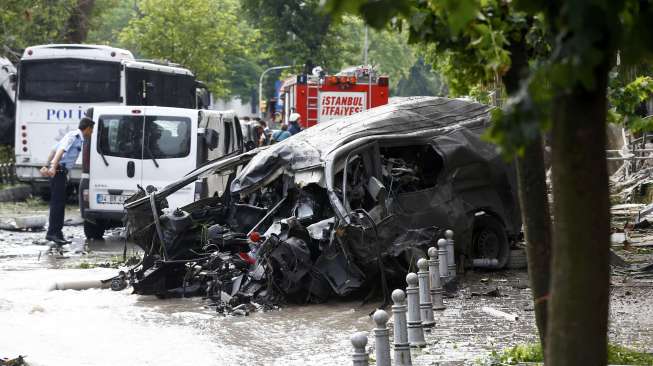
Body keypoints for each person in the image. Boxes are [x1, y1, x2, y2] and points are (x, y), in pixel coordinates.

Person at [40, 117, 94, 245]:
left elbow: (54, 149)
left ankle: (57, 233)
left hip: (61, 172)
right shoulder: (74, 137)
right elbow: (60, 151)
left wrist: (46, 165)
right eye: (91, 130)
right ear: (87, 128)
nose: (91, 133)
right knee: (57, 204)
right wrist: (52, 167)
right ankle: (52, 233)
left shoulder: (73, 136)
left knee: (59, 203)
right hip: (59, 171)